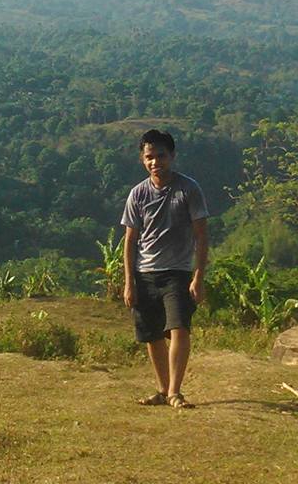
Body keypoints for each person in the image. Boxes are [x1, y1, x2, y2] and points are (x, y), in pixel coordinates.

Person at [121, 129, 208, 409]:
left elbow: (201, 235)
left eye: (161, 156)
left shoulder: (188, 189)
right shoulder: (138, 194)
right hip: (145, 273)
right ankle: (162, 389)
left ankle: (174, 391)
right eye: (149, 157)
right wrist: (129, 281)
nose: (155, 162)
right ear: (142, 159)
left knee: (179, 328)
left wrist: (198, 277)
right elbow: (130, 241)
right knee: (153, 335)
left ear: (172, 156)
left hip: (177, 272)